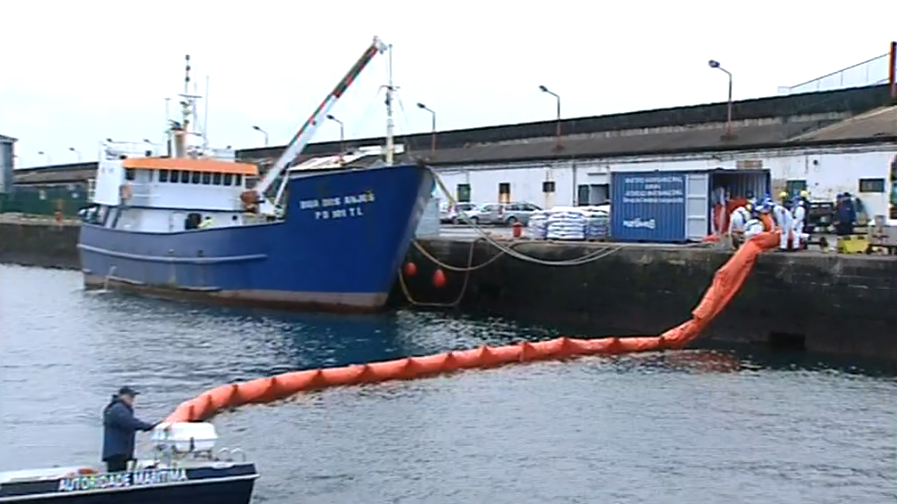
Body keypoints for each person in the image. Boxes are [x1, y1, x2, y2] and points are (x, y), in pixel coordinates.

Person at [102, 386, 156, 473]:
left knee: (118, 473)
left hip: (117, 451)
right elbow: (130, 422)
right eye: (130, 397)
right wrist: (149, 427)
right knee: (118, 474)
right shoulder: (118, 408)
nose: (132, 399)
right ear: (122, 396)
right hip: (117, 451)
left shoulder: (115, 408)